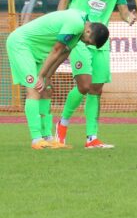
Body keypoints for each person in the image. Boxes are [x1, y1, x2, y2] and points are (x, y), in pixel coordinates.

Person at [55, 0, 137, 149]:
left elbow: (123, 10)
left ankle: (91, 138)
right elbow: (64, 1)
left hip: (100, 41)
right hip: (79, 37)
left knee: (96, 88)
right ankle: (62, 125)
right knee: (84, 85)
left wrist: (129, 18)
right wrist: (61, 26)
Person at [6, 9, 109, 149]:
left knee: (46, 90)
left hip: (35, 50)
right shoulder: (76, 23)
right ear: (89, 32)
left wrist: (47, 77)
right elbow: (56, 49)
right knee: (35, 88)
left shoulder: (79, 30)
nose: (86, 44)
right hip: (21, 45)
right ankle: (36, 139)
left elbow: (63, 54)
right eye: (89, 42)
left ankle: (48, 138)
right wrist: (41, 76)